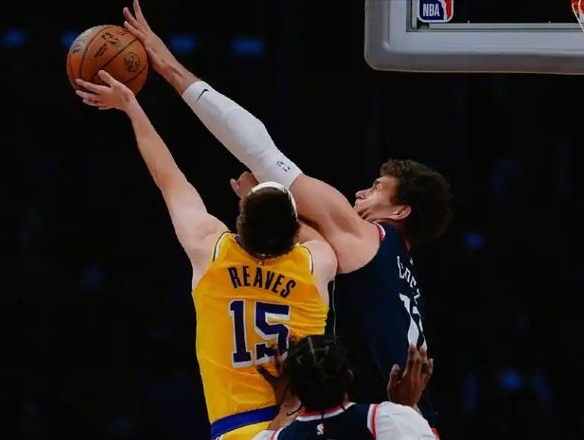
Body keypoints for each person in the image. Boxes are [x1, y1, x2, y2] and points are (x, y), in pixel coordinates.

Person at [122, 0, 452, 414]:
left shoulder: (367, 237)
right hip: (414, 424)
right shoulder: (399, 272)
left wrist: (168, 67)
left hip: (382, 425)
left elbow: (261, 152)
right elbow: (303, 233)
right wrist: (263, 202)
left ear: (400, 212)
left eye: (376, 189)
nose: (359, 194)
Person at [74, 71, 337, 440]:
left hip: (238, 429)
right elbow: (318, 234)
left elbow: (170, 179)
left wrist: (132, 107)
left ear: (241, 218)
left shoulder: (210, 249)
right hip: (304, 427)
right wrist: (263, 199)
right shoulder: (315, 263)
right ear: (294, 229)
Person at [252, 335, 437, 439]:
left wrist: (287, 407)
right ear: (349, 377)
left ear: (294, 389)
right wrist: (406, 405)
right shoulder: (386, 420)